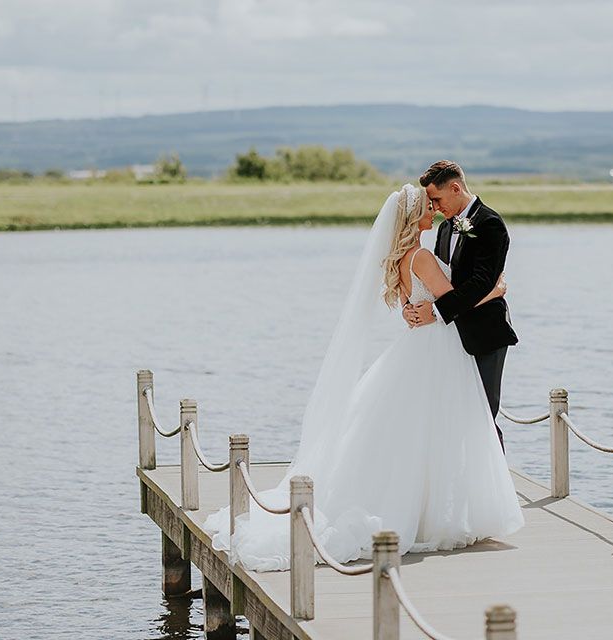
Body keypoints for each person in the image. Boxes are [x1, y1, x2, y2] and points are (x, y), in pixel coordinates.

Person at [206, 184, 523, 570]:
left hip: (420, 346)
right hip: (437, 348)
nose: (434, 210)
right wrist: (498, 289)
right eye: (427, 206)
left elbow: (419, 302)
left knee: (419, 432)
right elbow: (454, 298)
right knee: (436, 429)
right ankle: (431, 513)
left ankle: (431, 508)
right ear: (413, 217)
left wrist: (418, 308)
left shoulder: (401, 257)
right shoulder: (421, 256)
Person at [403, 160, 518, 448]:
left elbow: (481, 283)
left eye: (437, 199)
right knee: (451, 416)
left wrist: (436, 312)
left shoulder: (490, 224)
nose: (435, 206)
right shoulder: (444, 230)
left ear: (455, 188)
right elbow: (438, 282)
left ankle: (497, 489)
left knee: (482, 416)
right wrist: (412, 305)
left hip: (484, 334)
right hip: (447, 339)